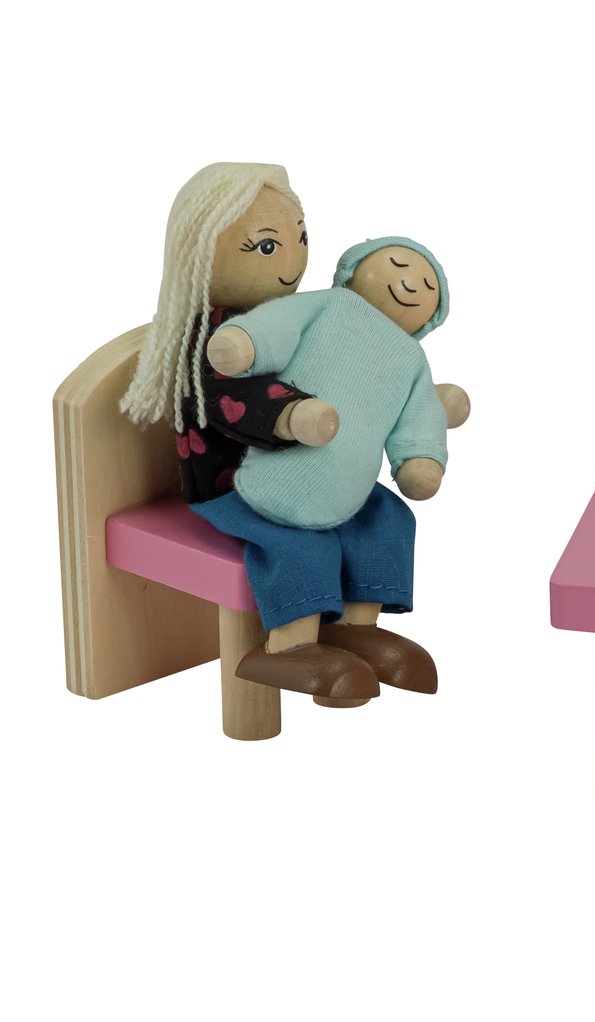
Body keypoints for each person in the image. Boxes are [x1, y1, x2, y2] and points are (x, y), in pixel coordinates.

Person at [120, 164, 442, 701]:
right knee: (300, 541)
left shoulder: (310, 314)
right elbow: (230, 397)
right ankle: (287, 648)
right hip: (233, 486)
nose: (292, 262)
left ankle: (356, 627)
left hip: (312, 473)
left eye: (301, 240)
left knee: (383, 514)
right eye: (267, 247)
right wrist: (290, 415)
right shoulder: (216, 332)